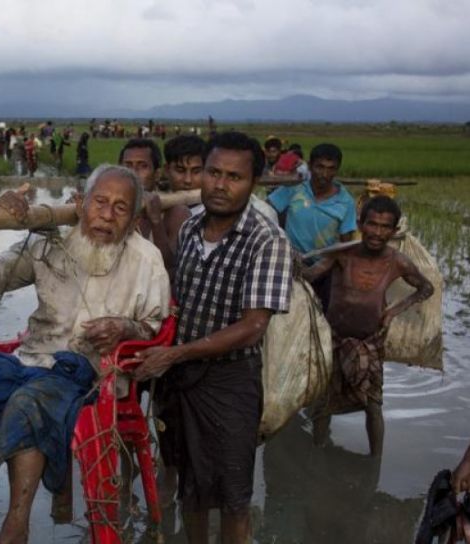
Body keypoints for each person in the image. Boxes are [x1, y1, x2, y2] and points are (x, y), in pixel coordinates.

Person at [0, 164, 170, 544]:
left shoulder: (145, 259)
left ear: (132, 218)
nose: (106, 215)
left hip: (88, 370)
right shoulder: (50, 240)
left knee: (28, 405)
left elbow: (154, 327)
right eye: (99, 202)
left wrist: (123, 327)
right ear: (81, 203)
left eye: (120, 207)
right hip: (29, 356)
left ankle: (16, 526)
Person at [132, 131, 292, 544]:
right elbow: (174, 285)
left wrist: (176, 353)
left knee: (234, 497)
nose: (220, 185)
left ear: (253, 182)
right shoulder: (190, 228)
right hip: (181, 378)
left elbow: (254, 325)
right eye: (213, 172)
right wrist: (152, 223)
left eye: (234, 177)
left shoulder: (266, 239)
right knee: (191, 488)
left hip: (229, 381)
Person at [302, 196, 434, 457]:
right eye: (372, 224)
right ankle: (317, 454)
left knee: (373, 405)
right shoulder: (342, 253)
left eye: (385, 227)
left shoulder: (398, 262)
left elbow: (426, 287)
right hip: (334, 339)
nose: (377, 232)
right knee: (323, 404)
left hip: (369, 343)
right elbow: (312, 275)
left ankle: (376, 460)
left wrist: (394, 311)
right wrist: (293, 263)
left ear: (394, 231)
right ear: (361, 224)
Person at [267, 143, 357, 308]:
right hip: (288, 262)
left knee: (319, 313)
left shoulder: (345, 202)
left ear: (337, 170)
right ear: (310, 165)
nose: (324, 174)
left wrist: (320, 268)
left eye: (331, 169)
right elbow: (267, 211)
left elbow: (344, 246)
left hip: (322, 268)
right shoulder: (295, 189)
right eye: (320, 167)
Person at [119, 138, 190, 272]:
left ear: (157, 174)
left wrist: (156, 222)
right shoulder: (110, 210)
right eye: (127, 165)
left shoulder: (176, 213)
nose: (133, 173)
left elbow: (170, 269)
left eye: (143, 166)